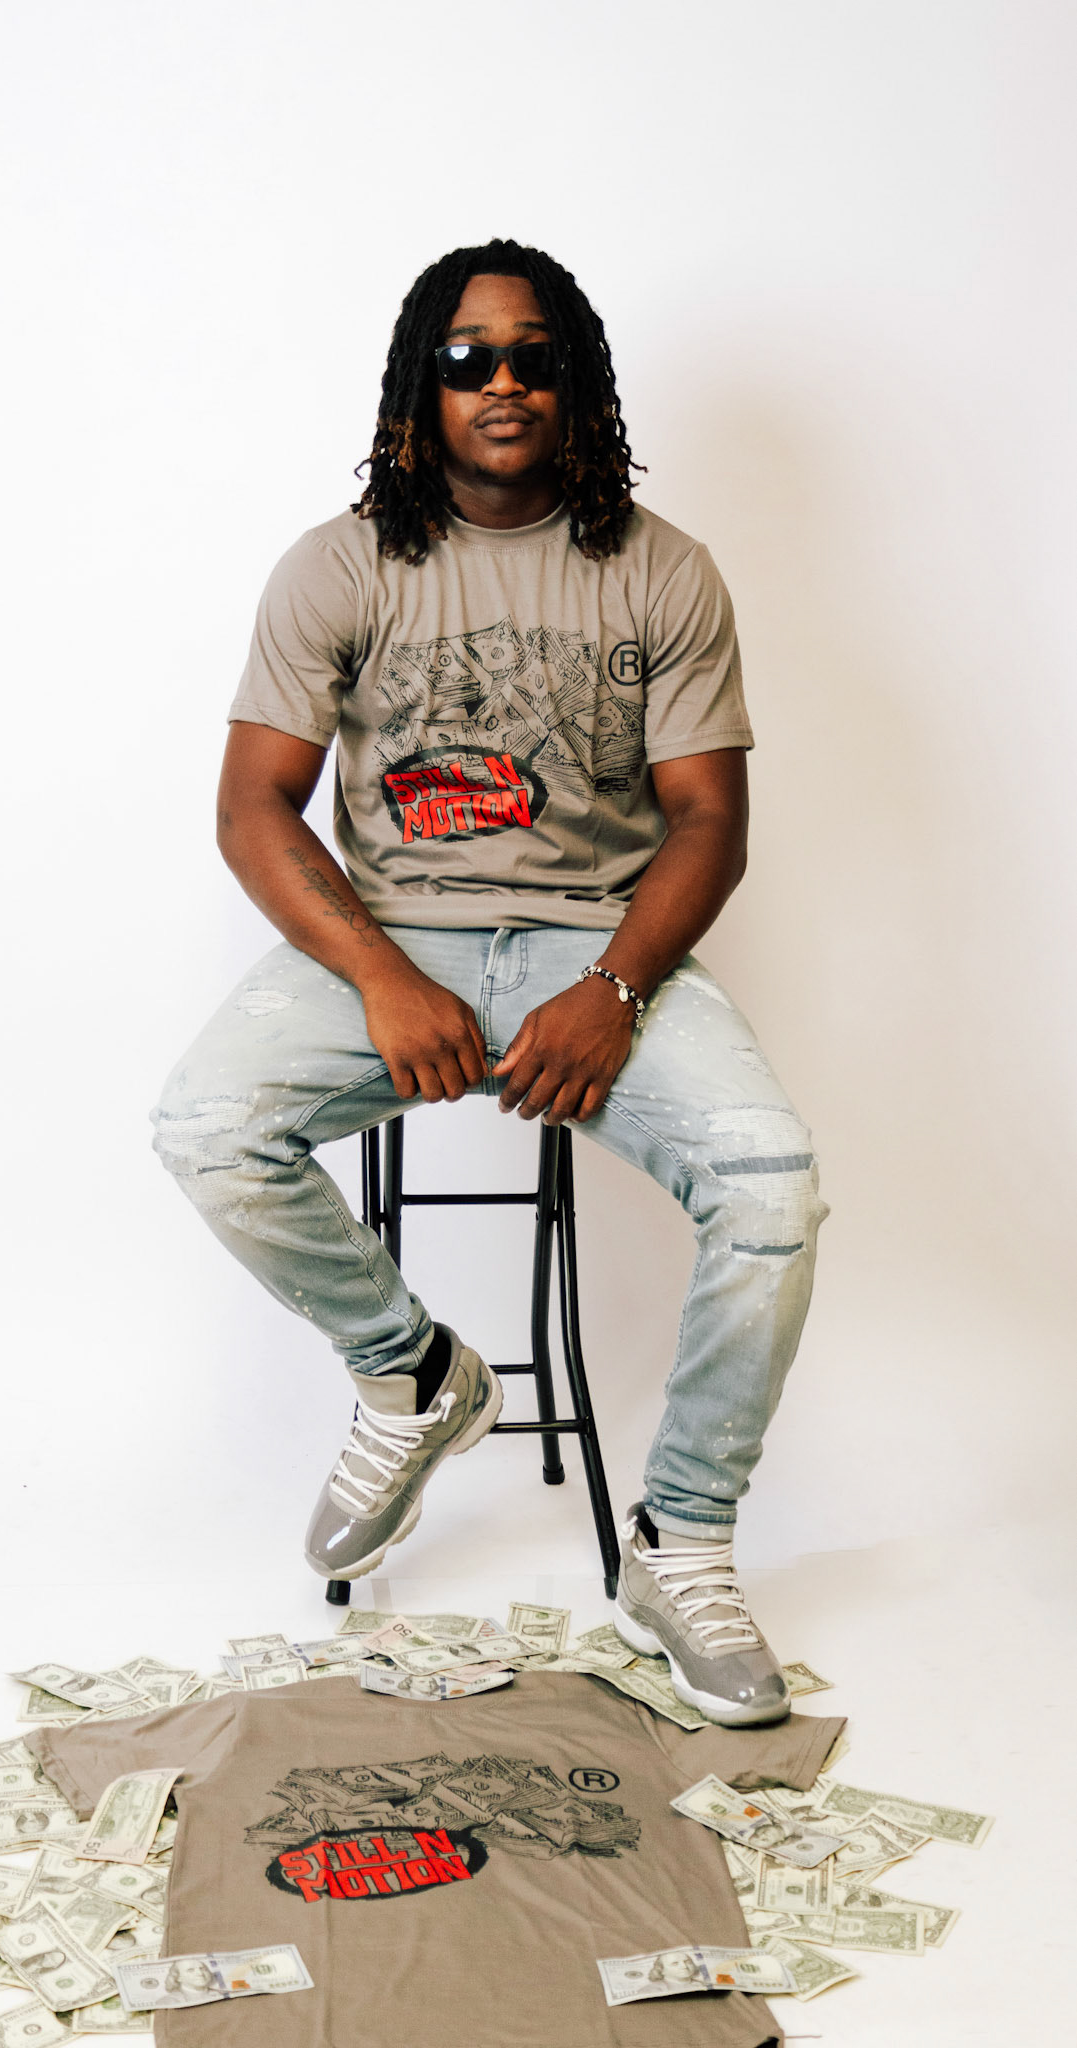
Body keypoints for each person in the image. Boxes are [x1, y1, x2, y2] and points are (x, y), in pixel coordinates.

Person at [152, 238, 828, 1728]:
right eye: (469, 359)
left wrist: (617, 990)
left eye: (535, 356)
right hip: (390, 939)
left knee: (772, 1188)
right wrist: (381, 976)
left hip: (598, 947)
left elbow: (708, 821)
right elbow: (253, 807)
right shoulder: (337, 567)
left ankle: (681, 1542)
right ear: (422, 387)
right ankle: (409, 1375)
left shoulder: (663, 569)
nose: (503, 382)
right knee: (204, 1125)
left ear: (576, 384)